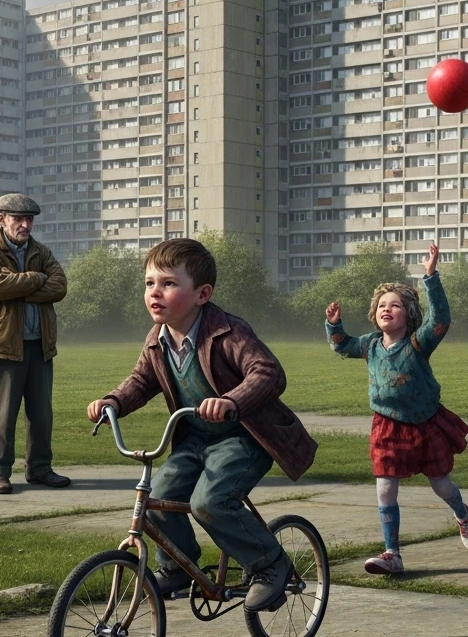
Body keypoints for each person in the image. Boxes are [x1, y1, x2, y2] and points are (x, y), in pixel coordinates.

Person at [86, 238, 317, 609]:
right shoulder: (157, 340)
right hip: (195, 440)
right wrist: (112, 402)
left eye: (168, 283)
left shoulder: (227, 331)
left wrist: (231, 401)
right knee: (158, 498)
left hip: (244, 438)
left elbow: (267, 373)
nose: (155, 293)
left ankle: (270, 564)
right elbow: (141, 381)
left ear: (202, 294)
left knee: (209, 502)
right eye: (149, 283)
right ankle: (178, 566)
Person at [325, 242, 468, 576]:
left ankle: (462, 515)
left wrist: (431, 277)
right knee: (385, 485)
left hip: (425, 422)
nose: (387, 309)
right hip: (386, 426)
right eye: (382, 305)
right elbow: (341, 347)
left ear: (408, 314)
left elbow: (441, 318)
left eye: (395, 305)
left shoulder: (418, 342)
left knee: (441, 484)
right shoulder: (368, 344)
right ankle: (392, 553)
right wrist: (334, 325)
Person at [0, 194, 70, 495]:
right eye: (18, 219)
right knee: (3, 414)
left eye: (29, 219)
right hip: (3, 344)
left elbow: (59, 286)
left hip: (39, 343)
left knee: (41, 412)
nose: (25, 224)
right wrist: (35, 278)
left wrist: (20, 285)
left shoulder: (41, 250)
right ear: (1, 219)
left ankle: (40, 469)